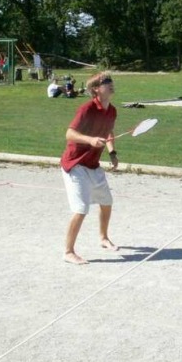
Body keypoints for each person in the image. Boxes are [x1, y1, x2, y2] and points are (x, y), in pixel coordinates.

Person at [60, 72, 120, 265]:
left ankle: (103, 238)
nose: (111, 84)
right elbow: (69, 134)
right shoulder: (86, 109)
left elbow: (109, 130)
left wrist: (112, 152)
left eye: (111, 81)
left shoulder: (112, 111)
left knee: (106, 202)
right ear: (96, 89)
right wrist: (90, 140)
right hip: (75, 164)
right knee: (81, 208)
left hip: (93, 164)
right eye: (106, 82)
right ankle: (68, 252)